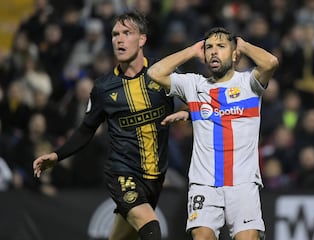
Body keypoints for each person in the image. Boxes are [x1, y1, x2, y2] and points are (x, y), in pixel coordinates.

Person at [33, 12, 188, 240]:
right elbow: (86, 129)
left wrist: (187, 112)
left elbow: (200, 100)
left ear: (142, 39)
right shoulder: (104, 88)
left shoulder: (161, 74)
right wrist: (57, 156)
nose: (119, 39)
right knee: (151, 228)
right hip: (122, 173)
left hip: (155, 177)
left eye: (127, 33)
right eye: (115, 34)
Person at [148, 27, 279, 240]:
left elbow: (271, 62)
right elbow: (154, 73)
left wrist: (242, 45)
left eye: (221, 47)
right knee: (202, 236)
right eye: (209, 47)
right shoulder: (194, 85)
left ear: (234, 54)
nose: (213, 52)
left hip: (243, 182)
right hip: (204, 182)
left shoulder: (249, 84)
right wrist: (191, 51)